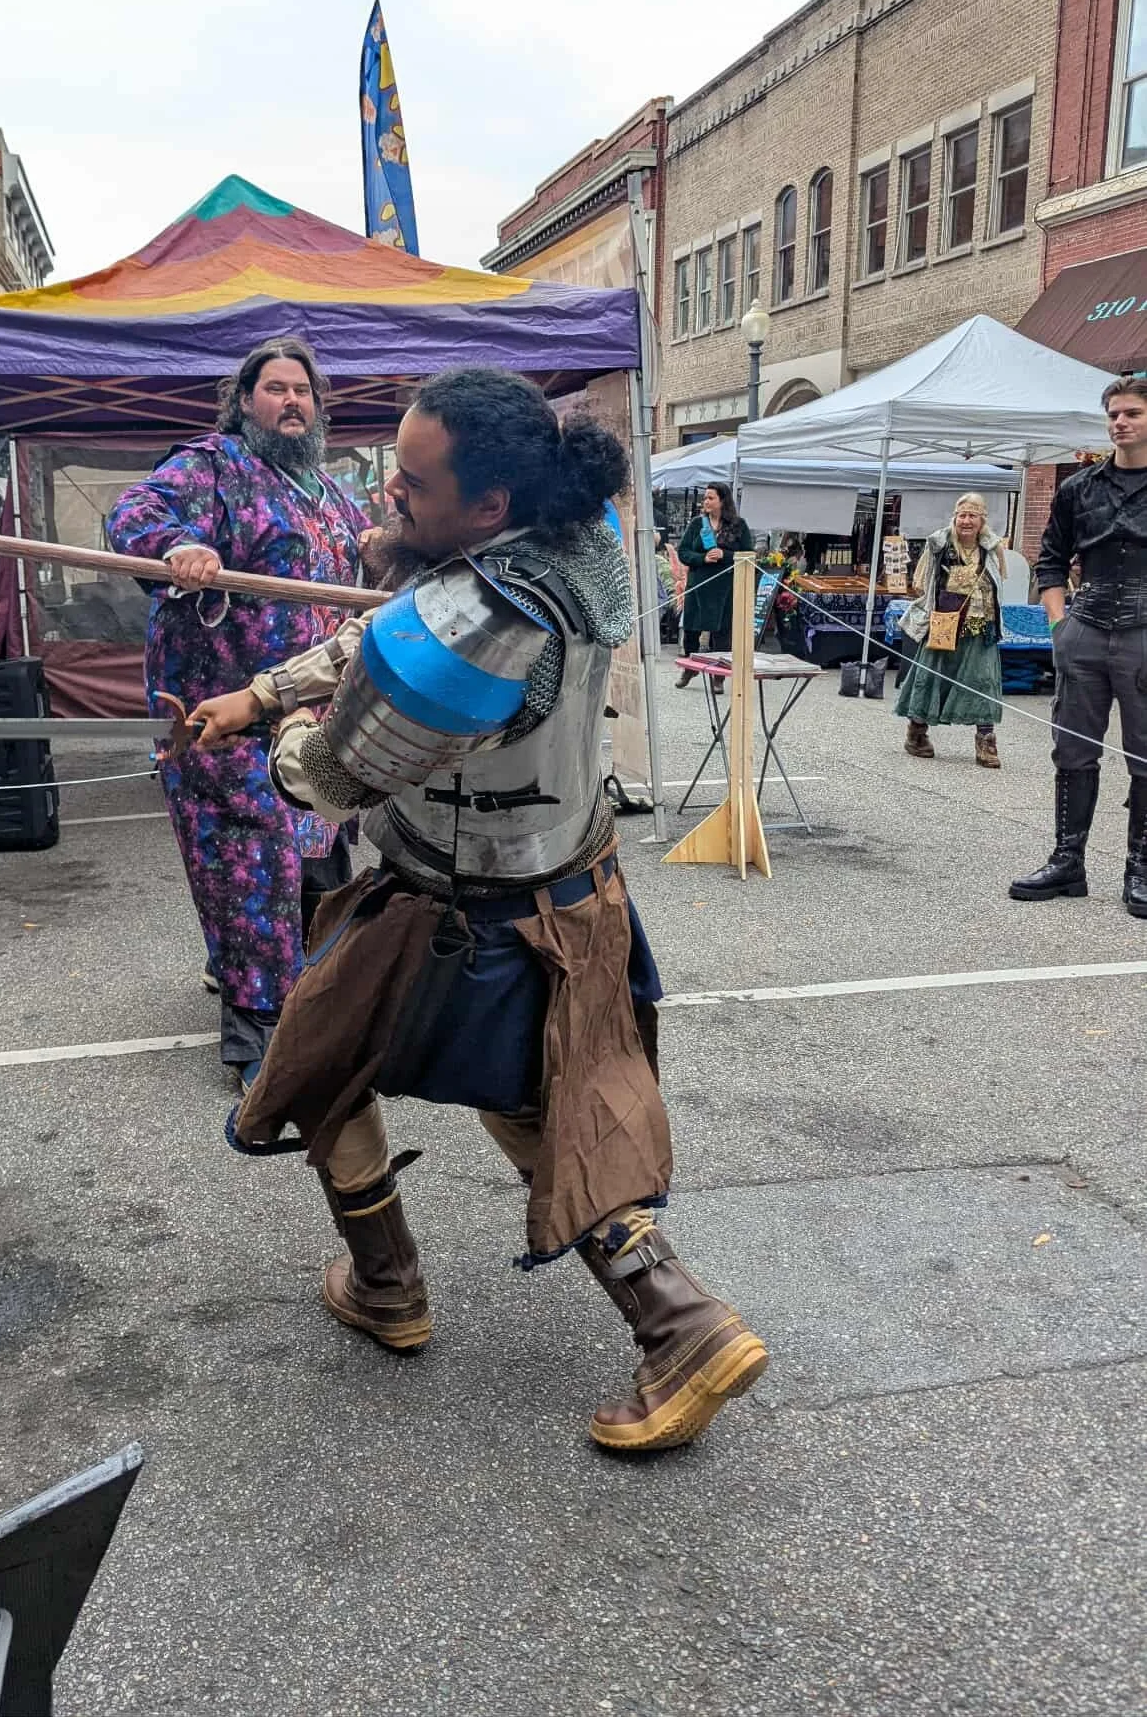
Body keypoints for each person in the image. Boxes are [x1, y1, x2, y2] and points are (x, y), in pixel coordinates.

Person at [191, 367, 768, 1452]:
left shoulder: (473, 627)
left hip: (458, 911)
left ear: (490, 506)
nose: (391, 497)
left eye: (412, 483)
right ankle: (662, 1316)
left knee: (323, 1067)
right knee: (538, 1111)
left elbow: (331, 776)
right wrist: (266, 685)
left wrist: (271, 736)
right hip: (570, 887)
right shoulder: (573, 541)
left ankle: (402, 1288)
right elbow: (387, 633)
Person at [104, 336, 369, 1086]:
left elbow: (363, 558)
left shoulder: (329, 489)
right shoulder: (211, 466)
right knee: (252, 869)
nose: (292, 401)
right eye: (276, 388)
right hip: (225, 717)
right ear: (245, 400)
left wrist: (384, 547)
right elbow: (134, 514)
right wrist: (180, 545)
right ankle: (262, 1047)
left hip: (311, 712)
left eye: (303, 390)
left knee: (318, 859)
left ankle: (314, 1002)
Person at [1010, 374, 1147, 916]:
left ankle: (1140, 868)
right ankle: (1068, 862)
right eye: (1114, 413)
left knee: (1145, 756)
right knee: (1072, 751)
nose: (1120, 422)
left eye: (1132, 412)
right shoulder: (1078, 488)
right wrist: (1058, 624)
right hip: (1084, 627)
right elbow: (1050, 558)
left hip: (1144, 630)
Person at [894, 493, 1007, 767]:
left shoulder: (992, 548)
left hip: (981, 627)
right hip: (944, 625)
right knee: (931, 678)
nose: (966, 521)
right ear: (955, 518)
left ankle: (986, 742)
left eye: (973, 516)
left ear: (983, 521)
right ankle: (917, 734)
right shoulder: (939, 544)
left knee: (984, 684)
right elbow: (922, 583)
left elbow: (998, 584)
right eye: (962, 515)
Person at [675, 483, 753, 686]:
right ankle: (690, 669)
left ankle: (719, 676)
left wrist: (725, 555)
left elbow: (749, 555)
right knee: (691, 630)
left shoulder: (738, 525)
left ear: (722, 500)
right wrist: (702, 558)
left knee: (722, 633)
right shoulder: (697, 524)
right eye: (705, 498)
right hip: (699, 585)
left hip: (724, 588)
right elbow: (683, 552)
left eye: (710, 498)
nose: (706, 502)